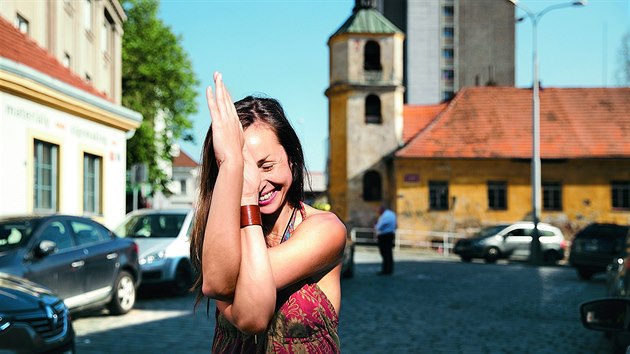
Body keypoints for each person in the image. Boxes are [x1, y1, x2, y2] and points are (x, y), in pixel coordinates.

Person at [189, 72, 347, 353]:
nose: (258, 182)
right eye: (243, 170)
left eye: (267, 165)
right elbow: (215, 283)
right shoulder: (220, 231)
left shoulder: (325, 229)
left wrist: (246, 198)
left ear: (292, 157)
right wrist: (230, 165)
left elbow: (251, 316)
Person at [374, 205, 397, 275]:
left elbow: (378, 227)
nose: (378, 213)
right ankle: (389, 269)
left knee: (385, 253)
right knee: (389, 253)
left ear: (381, 210)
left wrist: (375, 225)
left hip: (384, 236)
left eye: (378, 211)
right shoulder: (391, 214)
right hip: (390, 235)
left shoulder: (385, 216)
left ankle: (386, 270)